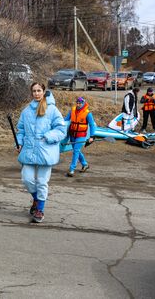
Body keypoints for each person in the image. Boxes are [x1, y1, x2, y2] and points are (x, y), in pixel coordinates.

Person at [16, 83, 66, 223]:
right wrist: (19, 142)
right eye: (34, 91)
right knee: (27, 179)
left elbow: (61, 130)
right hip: (29, 151)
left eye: (39, 90)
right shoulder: (26, 111)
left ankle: (40, 210)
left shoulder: (53, 110)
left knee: (42, 182)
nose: (36, 93)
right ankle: (37, 200)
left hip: (46, 152)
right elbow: (21, 130)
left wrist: (47, 137)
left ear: (44, 92)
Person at [64, 97, 96, 177]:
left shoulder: (88, 113)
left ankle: (71, 169)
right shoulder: (72, 111)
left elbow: (92, 125)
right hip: (72, 134)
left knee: (75, 150)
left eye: (80, 103)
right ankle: (85, 164)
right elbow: (65, 120)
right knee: (77, 151)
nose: (78, 104)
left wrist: (92, 136)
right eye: (77, 103)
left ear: (83, 103)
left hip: (81, 135)